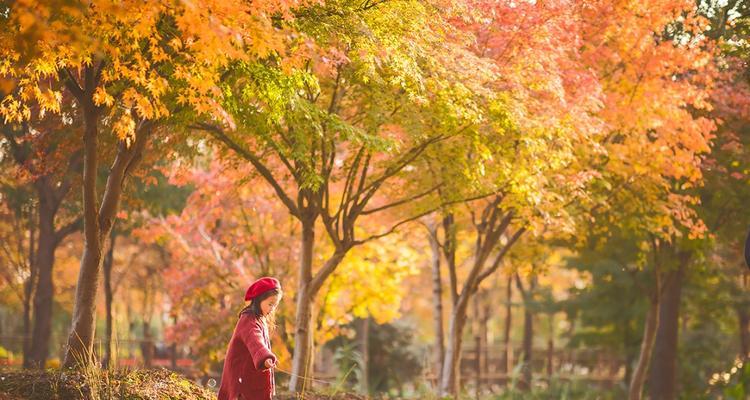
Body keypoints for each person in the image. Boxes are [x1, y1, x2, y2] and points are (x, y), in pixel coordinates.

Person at [218, 277, 282, 400]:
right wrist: (265, 356)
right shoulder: (248, 320)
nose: (272, 309)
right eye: (270, 304)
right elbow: (255, 340)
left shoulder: (260, 319)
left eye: (275, 305)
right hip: (241, 377)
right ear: (258, 300)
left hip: (251, 376)